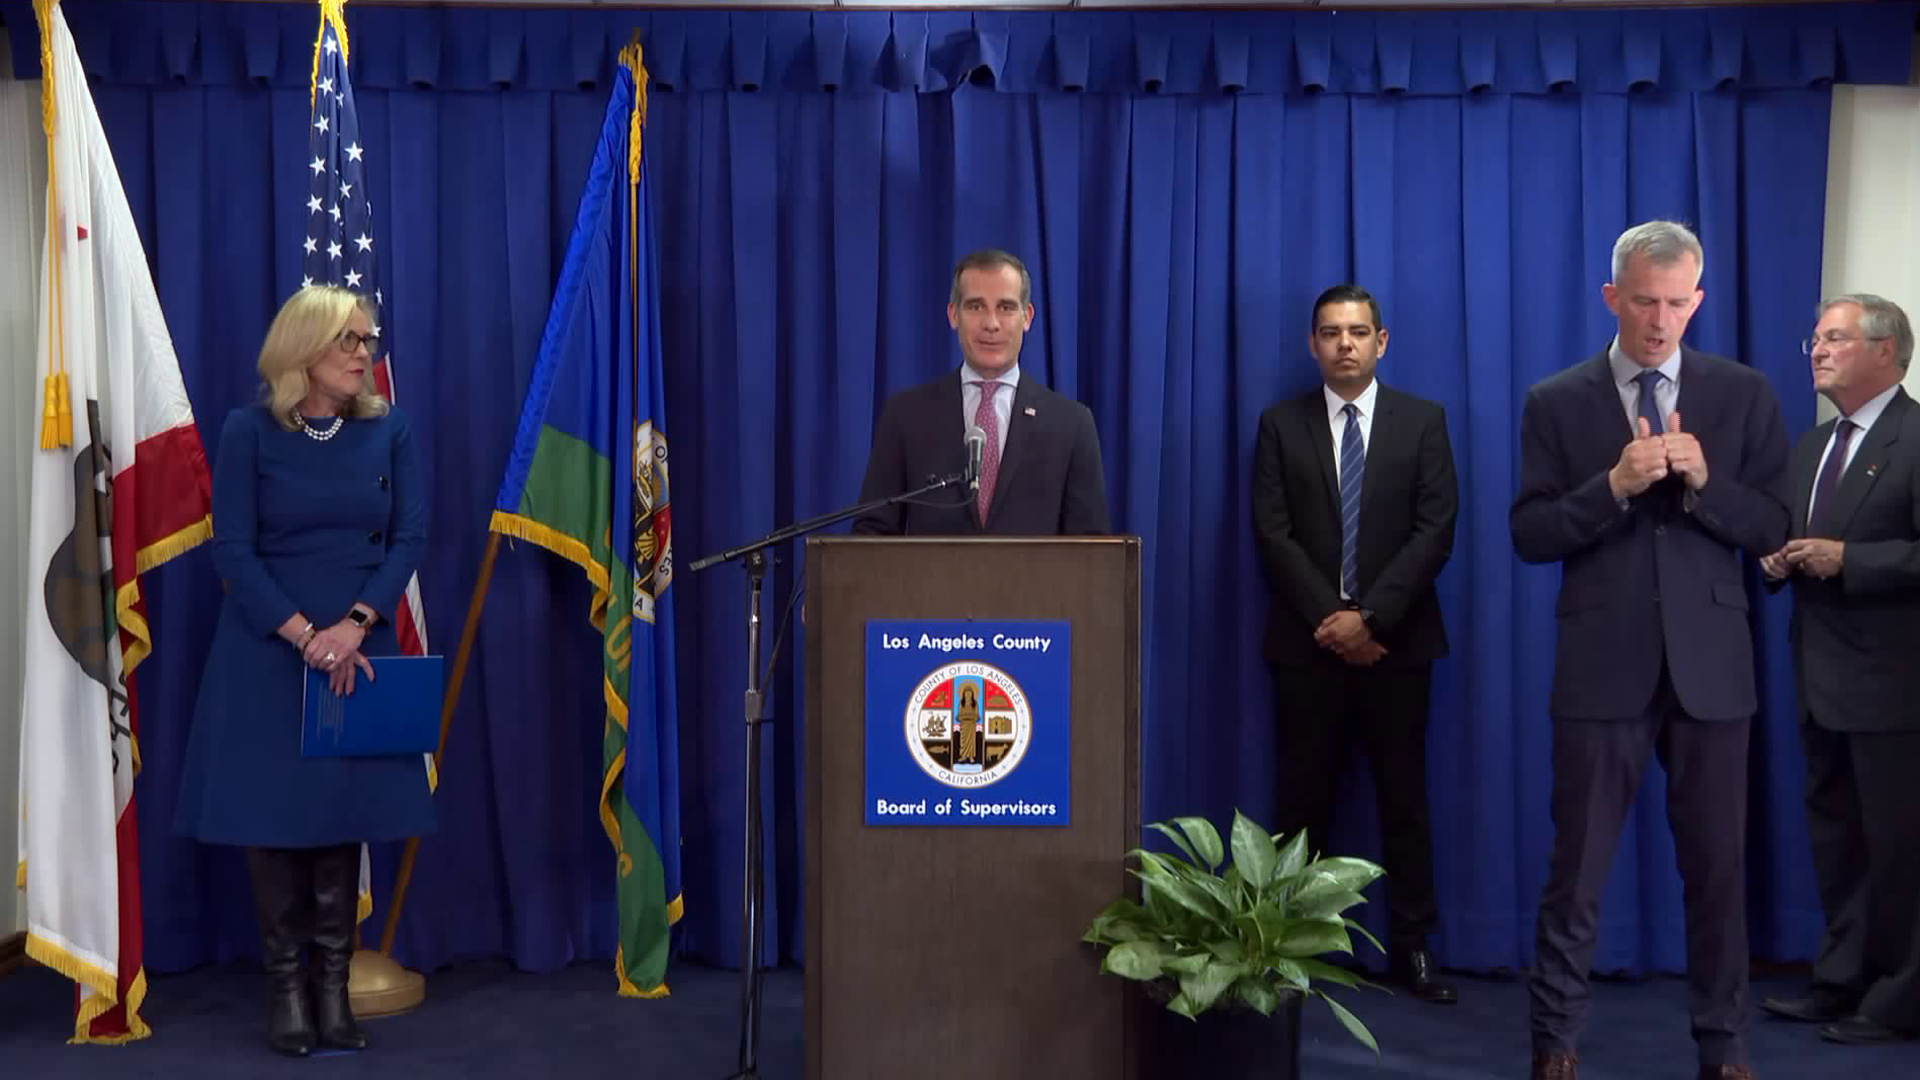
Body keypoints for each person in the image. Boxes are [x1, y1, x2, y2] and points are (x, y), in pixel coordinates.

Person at [1509, 220, 1790, 1080]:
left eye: (1676, 303)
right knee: (1578, 875)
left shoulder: (1743, 395)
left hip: (1714, 673)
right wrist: (1614, 487)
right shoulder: (1557, 400)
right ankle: (1555, 1045)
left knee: (1717, 876)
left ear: (1697, 300)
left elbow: (1775, 530)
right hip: (1603, 667)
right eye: (1644, 302)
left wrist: (1707, 486)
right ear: (1612, 298)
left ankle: (1725, 1049)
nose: (1660, 321)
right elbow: (1530, 534)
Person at [173, 285, 434, 1056]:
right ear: (304, 350)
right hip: (267, 650)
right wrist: (303, 636)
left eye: (368, 340)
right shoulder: (247, 432)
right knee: (275, 820)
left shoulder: (391, 431)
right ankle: (286, 989)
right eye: (349, 341)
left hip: (359, 648)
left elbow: (410, 537)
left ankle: (332, 989)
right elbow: (233, 550)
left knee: (340, 812)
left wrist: (353, 628)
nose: (364, 354)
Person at [1251, 284, 1460, 1004]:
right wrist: (1334, 623)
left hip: (1398, 649)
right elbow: (1272, 533)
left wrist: (1370, 620)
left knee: (1405, 802)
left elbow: (1436, 530)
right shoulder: (1281, 425)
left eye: (1358, 331)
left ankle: (1414, 949)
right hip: (1307, 647)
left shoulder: (1423, 422)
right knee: (1300, 803)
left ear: (1382, 341)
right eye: (1330, 332)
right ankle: (1286, 950)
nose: (1345, 343)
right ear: (1312, 344)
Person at [1759, 294, 1920, 1047]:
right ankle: (1841, 981)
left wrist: (1851, 560)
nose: (1817, 351)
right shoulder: (1810, 446)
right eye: (1814, 339)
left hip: (1895, 687)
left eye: (1834, 339)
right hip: (1818, 681)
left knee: (1899, 848)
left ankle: (1899, 1002)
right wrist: (1778, 559)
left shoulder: (1917, 437)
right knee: (1839, 843)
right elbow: (1800, 539)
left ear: (1885, 351)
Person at [853, 249, 1109, 536]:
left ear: (1027, 317)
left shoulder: (1072, 425)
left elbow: (1091, 553)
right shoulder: (906, 415)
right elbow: (872, 534)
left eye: (1006, 307)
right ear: (953, 314)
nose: (991, 323)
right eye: (976, 307)